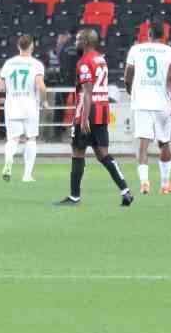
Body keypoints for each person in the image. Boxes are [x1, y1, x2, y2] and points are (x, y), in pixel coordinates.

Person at [57, 27, 133, 207]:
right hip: (102, 110)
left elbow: (87, 91)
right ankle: (125, 190)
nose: (75, 42)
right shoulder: (101, 59)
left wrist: (83, 119)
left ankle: (74, 196)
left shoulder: (84, 61)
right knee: (103, 154)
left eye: (77, 39)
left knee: (77, 152)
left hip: (88, 111)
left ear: (85, 42)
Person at [125, 20, 171, 195]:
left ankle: (144, 182)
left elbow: (128, 76)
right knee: (164, 143)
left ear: (148, 35)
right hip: (162, 103)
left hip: (141, 102)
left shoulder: (136, 50)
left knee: (143, 144)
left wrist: (130, 91)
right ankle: (165, 184)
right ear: (163, 36)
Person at [0, 34, 46, 183]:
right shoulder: (36, 64)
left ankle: (8, 162)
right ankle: (27, 175)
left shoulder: (9, 63)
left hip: (12, 106)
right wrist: (44, 101)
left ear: (18, 46)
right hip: (30, 106)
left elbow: (0, 86)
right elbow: (40, 86)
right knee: (30, 139)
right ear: (32, 46)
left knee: (12, 139)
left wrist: (3, 97)